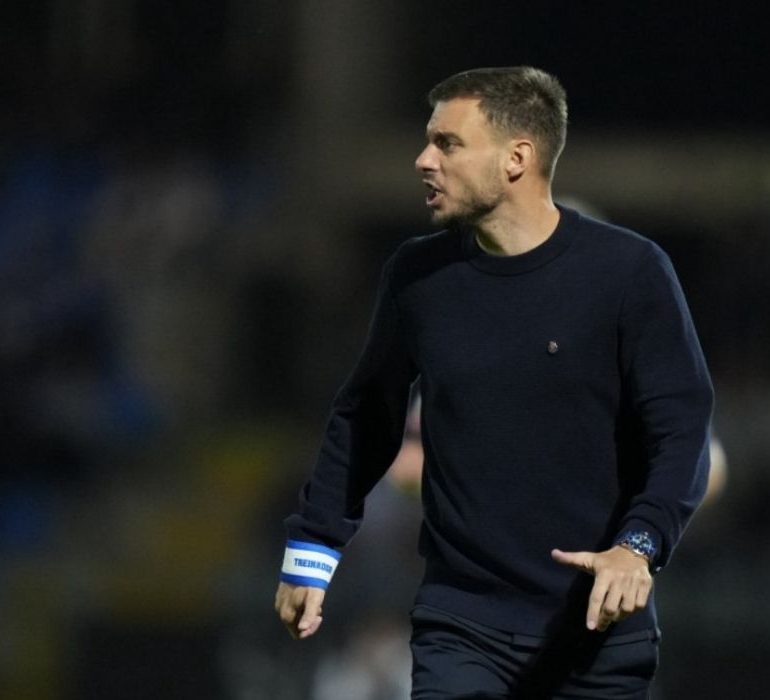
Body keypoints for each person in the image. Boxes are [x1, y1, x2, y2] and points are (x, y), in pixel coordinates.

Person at [274, 66, 714, 698]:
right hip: (461, 625)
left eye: (448, 143)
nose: (424, 160)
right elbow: (366, 416)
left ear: (517, 158)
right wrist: (313, 552)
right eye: (428, 142)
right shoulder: (418, 277)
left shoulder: (630, 272)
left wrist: (637, 545)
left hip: (596, 628)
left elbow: (681, 427)